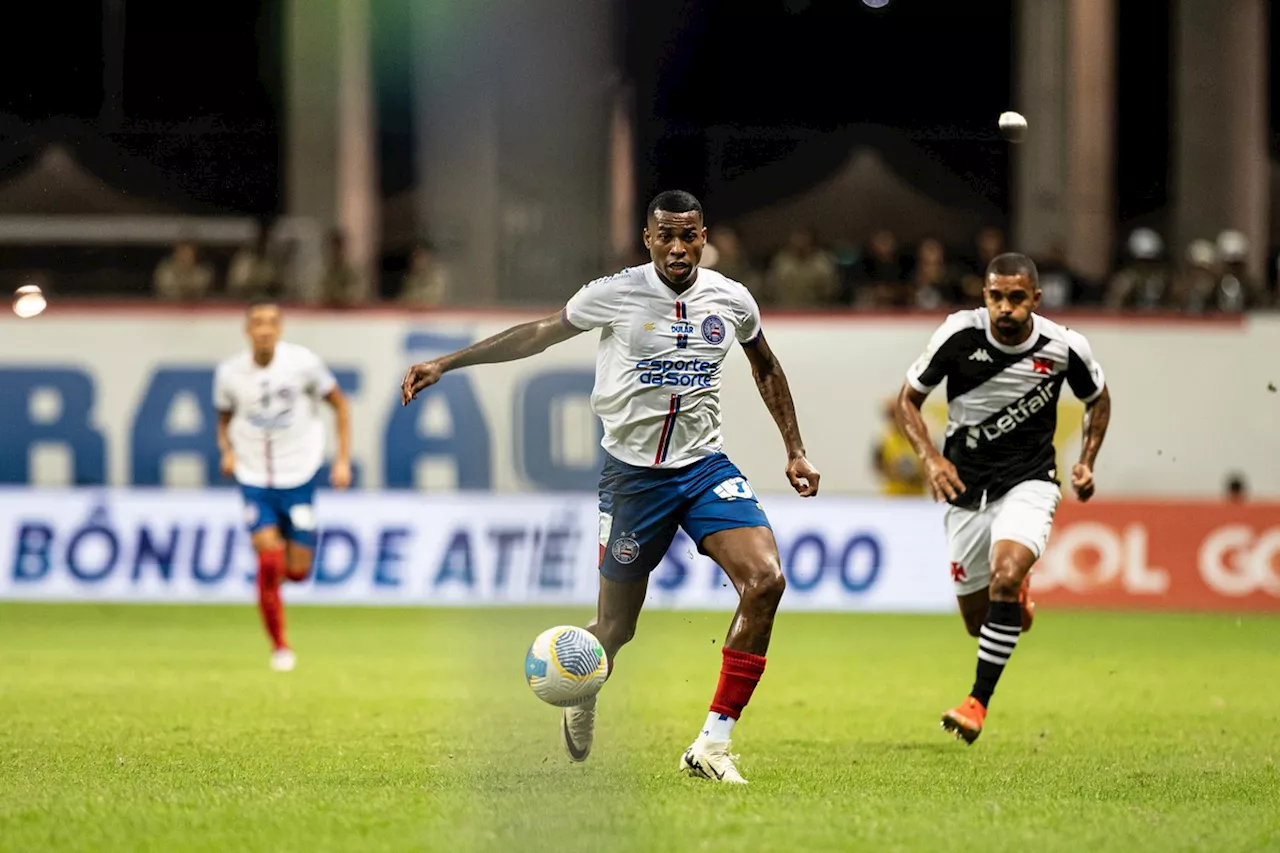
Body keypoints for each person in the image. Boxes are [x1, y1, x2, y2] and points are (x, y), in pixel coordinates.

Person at [401, 190, 820, 784]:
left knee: (766, 580)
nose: (679, 247)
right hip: (632, 481)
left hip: (704, 470)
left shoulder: (731, 299)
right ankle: (581, 685)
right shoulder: (616, 292)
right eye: (666, 236)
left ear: (704, 236)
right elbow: (539, 334)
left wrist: (795, 450)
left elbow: (766, 366)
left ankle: (712, 744)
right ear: (647, 239)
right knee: (615, 631)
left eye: (690, 235)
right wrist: (448, 361)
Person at [894, 253, 1111, 744]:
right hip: (964, 489)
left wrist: (1087, 460)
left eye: (1017, 298)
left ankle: (977, 702)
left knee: (1007, 574)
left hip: (1030, 480)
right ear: (984, 295)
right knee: (978, 621)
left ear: (1035, 298)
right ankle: (1013, 603)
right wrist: (931, 458)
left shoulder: (1063, 346)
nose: (1006, 308)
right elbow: (907, 399)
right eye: (996, 297)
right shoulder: (958, 335)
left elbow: (1098, 398)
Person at [214, 299, 353, 671]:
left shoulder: (304, 364)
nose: (264, 329)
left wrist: (341, 460)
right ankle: (280, 646)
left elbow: (340, 405)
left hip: (300, 476)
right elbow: (223, 420)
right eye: (257, 322)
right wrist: (226, 450)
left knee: (297, 571)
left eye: (271, 322)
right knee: (269, 558)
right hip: (254, 478)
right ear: (247, 330)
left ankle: (279, 582)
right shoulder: (229, 373)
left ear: (280, 329)